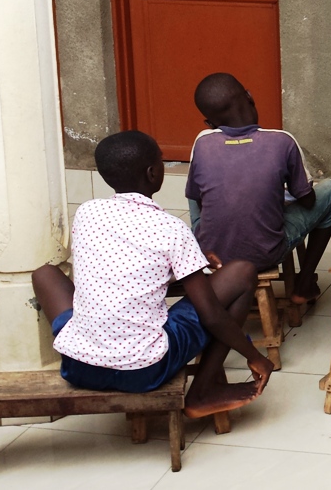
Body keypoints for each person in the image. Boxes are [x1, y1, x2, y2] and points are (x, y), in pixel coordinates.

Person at [31, 131, 274, 418]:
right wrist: (256, 357)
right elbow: (211, 315)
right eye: (161, 161)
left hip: (77, 366)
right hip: (143, 371)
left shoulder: (87, 212)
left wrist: (187, 262)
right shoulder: (170, 228)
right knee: (242, 273)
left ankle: (92, 345)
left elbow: (127, 266)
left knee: (44, 274)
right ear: (152, 173)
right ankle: (202, 392)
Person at [187, 73, 331, 305]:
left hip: (211, 254)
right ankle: (304, 283)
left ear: (210, 124)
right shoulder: (282, 141)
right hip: (264, 254)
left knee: (200, 181)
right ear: (250, 97)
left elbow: (201, 203)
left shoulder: (202, 143)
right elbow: (309, 202)